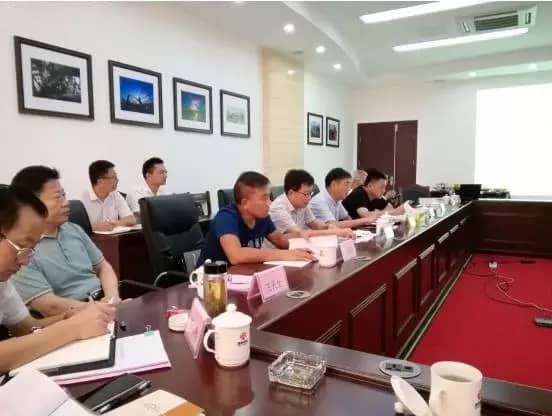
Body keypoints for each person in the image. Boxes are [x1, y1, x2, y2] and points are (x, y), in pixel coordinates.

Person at [0, 185, 114, 372]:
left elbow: (27, 327)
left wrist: (70, 316)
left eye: (31, 250)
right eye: (22, 246)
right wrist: (72, 328)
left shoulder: (2, 284)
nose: (25, 261)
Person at [11, 166, 120, 317]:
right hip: (69, 316)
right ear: (31, 204)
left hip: (102, 303)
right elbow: (49, 306)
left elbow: (103, 266)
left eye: (64, 195)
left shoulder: (73, 229)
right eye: (58, 198)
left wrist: (112, 297)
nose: (66, 203)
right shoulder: (20, 248)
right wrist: (101, 309)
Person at [197, 171, 315, 265]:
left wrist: (303, 249)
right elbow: (236, 255)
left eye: (269, 197)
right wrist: (282, 255)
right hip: (209, 280)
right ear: (245, 203)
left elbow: (282, 241)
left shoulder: (262, 217)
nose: (270, 203)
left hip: (244, 274)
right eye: (264, 198)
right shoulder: (226, 217)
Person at [269, 169, 354, 239]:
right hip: (280, 250)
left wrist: (329, 227)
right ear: (291, 193)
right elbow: (299, 233)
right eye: (306, 194)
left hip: (298, 245)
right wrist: (336, 232)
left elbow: (316, 226)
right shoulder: (278, 207)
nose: (309, 198)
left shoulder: (302, 204)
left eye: (311, 193)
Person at [310, 168, 376, 228]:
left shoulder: (337, 200)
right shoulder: (319, 201)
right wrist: (365, 220)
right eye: (346, 184)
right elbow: (333, 225)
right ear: (334, 184)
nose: (349, 188)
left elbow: (347, 218)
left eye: (350, 185)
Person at [81, 160, 135, 232]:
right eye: (114, 177)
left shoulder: (115, 194)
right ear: (100, 182)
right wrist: (93, 228)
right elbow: (74, 228)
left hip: (113, 237)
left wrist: (113, 224)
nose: (117, 180)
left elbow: (131, 219)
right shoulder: (81, 200)